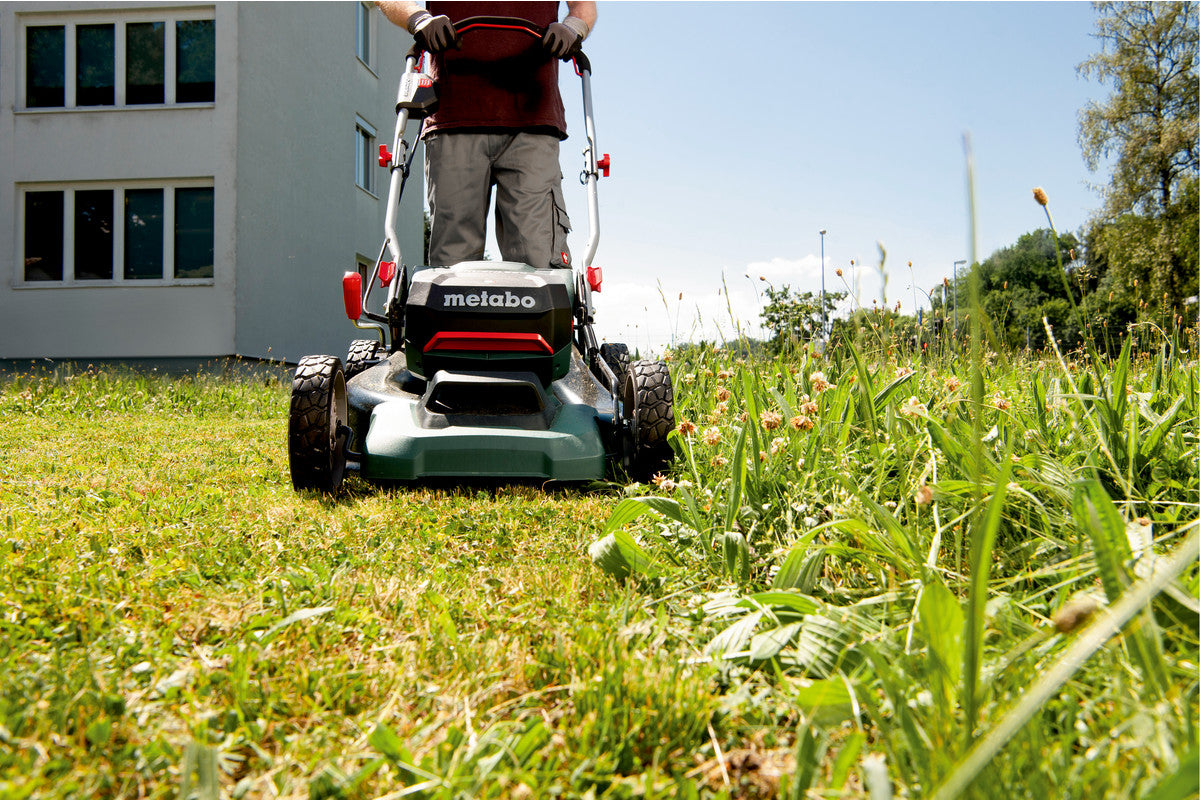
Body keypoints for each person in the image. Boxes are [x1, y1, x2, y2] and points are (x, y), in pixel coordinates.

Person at [376, 1, 597, 270]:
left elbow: (583, 7)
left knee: (539, 259)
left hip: (532, 119)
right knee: (452, 266)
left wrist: (572, 28)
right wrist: (419, 19)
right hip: (454, 115)